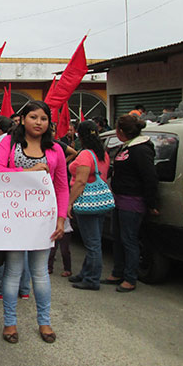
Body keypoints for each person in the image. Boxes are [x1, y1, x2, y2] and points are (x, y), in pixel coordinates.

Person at [0, 101, 68, 344]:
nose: (38, 122)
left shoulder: (56, 149)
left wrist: (61, 218)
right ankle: (10, 323)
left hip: (43, 220)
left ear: (49, 123)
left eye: (43, 118)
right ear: (22, 119)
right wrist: (29, 172)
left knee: (40, 274)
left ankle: (44, 322)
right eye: (33, 117)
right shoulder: (9, 142)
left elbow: (62, 187)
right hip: (15, 219)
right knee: (13, 273)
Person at [102, 115, 158, 293]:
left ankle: (130, 277)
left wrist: (151, 202)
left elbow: (150, 178)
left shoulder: (141, 150)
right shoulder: (126, 147)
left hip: (132, 201)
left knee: (129, 239)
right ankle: (118, 272)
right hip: (119, 199)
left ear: (121, 131)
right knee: (117, 237)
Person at [66, 121, 111, 290]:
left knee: (92, 244)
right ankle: (86, 272)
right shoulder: (102, 153)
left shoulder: (85, 155)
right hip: (100, 200)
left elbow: (80, 181)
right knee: (94, 241)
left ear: (80, 134)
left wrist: (70, 202)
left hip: (86, 200)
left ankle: (92, 279)